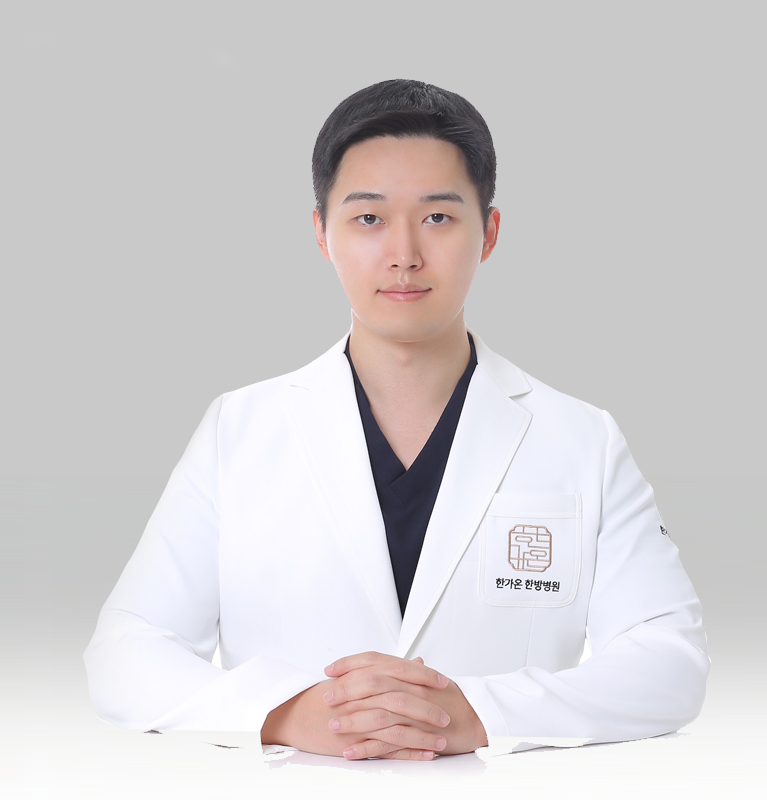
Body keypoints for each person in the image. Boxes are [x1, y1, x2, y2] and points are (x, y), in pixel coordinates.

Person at [84, 79, 710, 761]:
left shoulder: (582, 440)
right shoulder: (238, 431)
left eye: (438, 217)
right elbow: (124, 651)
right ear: (321, 233)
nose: (404, 253)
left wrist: (481, 714)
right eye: (369, 219)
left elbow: (670, 660)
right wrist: (285, 714)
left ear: (489, 232)